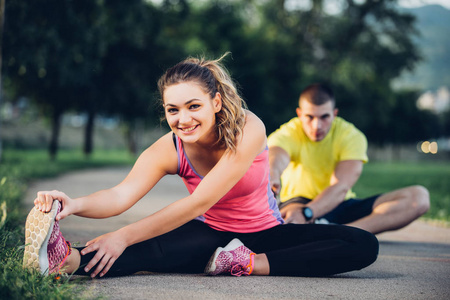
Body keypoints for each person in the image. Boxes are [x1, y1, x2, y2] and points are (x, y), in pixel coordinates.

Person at [23, 56, 378, 279]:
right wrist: (74, 203)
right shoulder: (170, 148)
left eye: (193, 106)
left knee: (362, 245)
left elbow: (199, 202)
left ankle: (248, 263)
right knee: (150, 251)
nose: (183, 119)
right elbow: (120, 194)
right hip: (211, 234)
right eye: (172, 110)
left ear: (216, 102)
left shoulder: (248, 128)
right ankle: (65, 260)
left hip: (268, 233)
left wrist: (123, 233)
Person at [268, 83, 430, 234]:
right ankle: (334, 233)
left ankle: (344, 233)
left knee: (419, 198)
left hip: (339, 203)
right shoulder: (288, 132)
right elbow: (276, 156)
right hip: (298, 203)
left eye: (324, 117)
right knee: (288, 214)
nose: (317, 125)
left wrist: (308, 213)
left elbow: (341, 187)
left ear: (334, 114)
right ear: (299, 114)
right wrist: (273, 174)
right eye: (310, 117)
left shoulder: (351, 135)